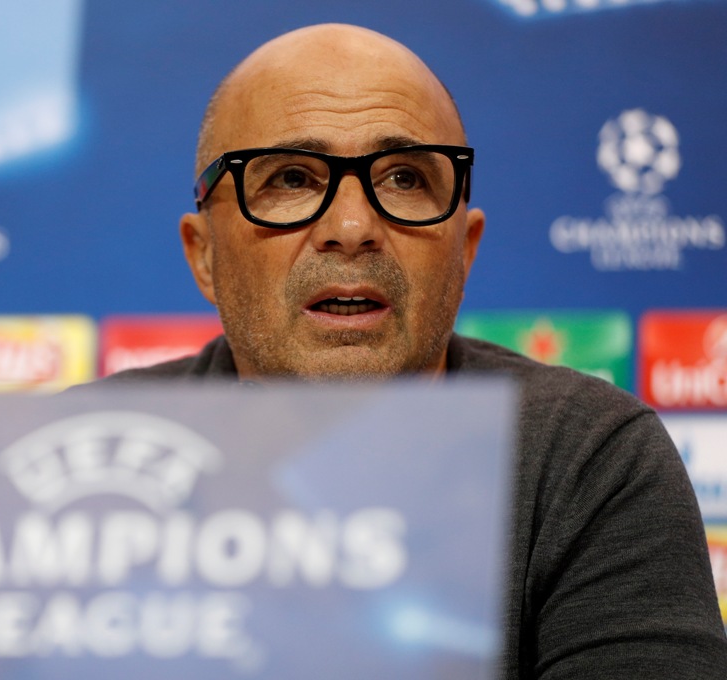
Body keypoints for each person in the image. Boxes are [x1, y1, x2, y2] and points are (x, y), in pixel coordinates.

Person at [96, 23, 727, 678]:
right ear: (204, 254)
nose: (351, 228)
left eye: (402, 177)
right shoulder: (66, 461)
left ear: (466, 249)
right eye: (290, 177)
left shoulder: (589, 458)